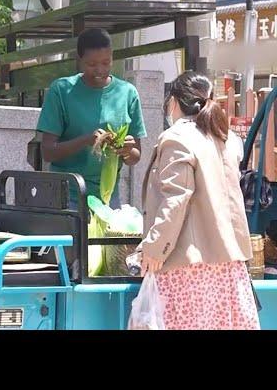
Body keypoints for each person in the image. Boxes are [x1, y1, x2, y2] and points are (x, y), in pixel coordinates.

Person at [139, 72, 259, 330]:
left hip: (188, 267)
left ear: (173, 102)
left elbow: (176, 198)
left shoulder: (177, 138)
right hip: (228, 265)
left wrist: (153, 248)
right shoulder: (226, 139)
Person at [37, 28, 147, 208]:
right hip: (66, 196)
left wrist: (126, 150)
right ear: (79, 61)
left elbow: (135, 156)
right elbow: (48, 152)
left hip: (108, 198)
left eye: (106, 62)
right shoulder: (61, 90)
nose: (100, 70)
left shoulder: (128, 93)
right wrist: (87, 140)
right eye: (91, 64)